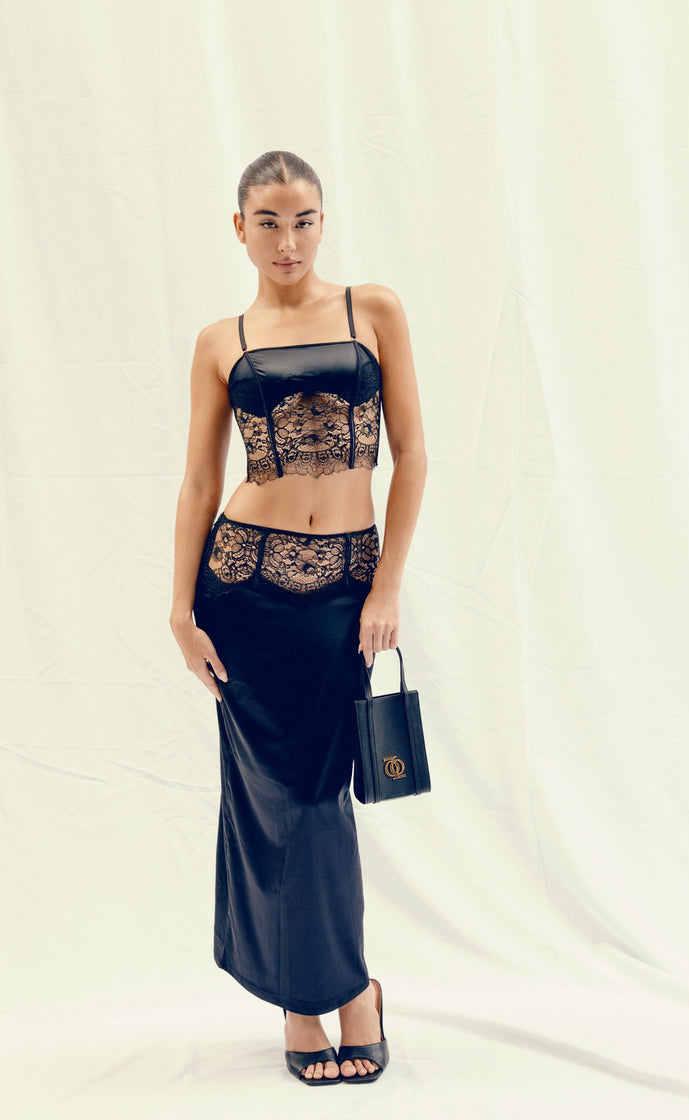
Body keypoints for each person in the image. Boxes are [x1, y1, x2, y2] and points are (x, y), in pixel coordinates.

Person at [169, 150, 426, 1085]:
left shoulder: (374, 310)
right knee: (272, 797)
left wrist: (387, 586)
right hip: (242, 589)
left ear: (324, 222)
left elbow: (412, 454)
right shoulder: (220, 340)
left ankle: (347, 988)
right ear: (240, 229)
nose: (288, 239)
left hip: (344, 588)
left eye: (304, 219)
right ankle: (305, 1002)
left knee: (320, 797)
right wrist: (180, 609)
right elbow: (200, 482)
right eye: (270, 222)